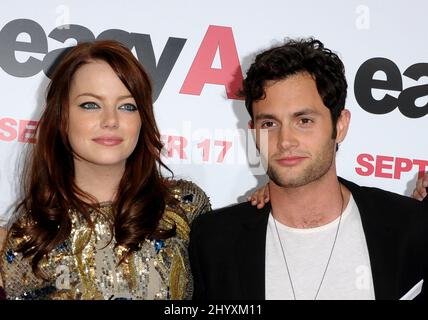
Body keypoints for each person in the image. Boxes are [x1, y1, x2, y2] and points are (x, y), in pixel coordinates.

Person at [189, 38, 428, 300]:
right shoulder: (214, 242)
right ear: (253, 133)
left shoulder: (408, 228)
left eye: (304, 120)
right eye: (269, 124)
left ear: (340, 125)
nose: (285, 141)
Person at [0, 40, 212, 300]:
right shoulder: (31, 234)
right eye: (90, 104)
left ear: (142, 119)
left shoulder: (186, 206)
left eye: (127, 106)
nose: (111, 120)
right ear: (61, 117)